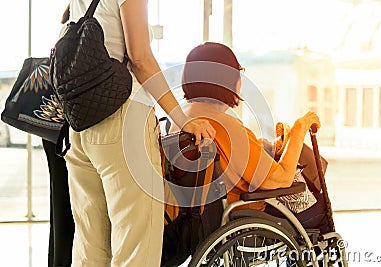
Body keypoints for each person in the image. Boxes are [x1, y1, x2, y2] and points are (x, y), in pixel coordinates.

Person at [65, 1, 216, 266]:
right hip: (124, 120)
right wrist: (181, 118)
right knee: (136, 245)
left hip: (81, 123)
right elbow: (140, 59)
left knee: (91, 246)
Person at [170, 41, 329, 233]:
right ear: (228, 79)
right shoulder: (226, 126)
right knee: (321, 207)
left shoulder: (183, 118)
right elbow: (280, 180)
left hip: (195, 220)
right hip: (242, 217)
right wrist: (299, 128)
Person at [43, 4, 74, 267]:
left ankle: (58, 260)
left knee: (60, 201)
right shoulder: (77, 36)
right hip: (66, 128)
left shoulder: (61, 37)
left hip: (53, 129)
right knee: (69, 205)